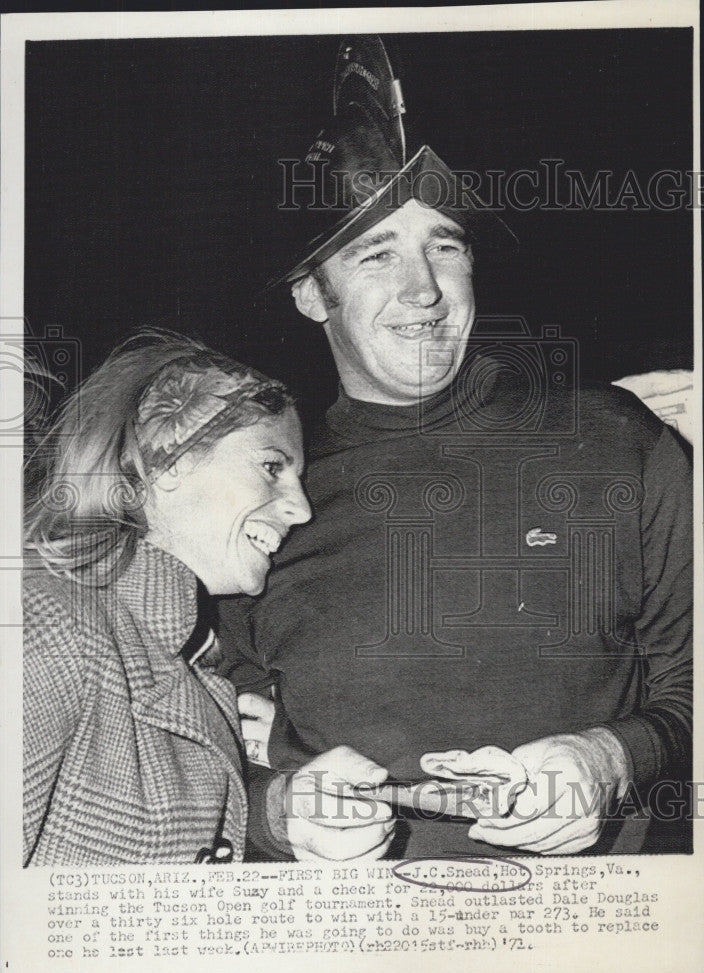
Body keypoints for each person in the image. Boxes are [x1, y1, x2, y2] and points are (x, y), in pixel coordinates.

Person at [220, 36, 693, 859]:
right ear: (310, 295)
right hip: (351, 954)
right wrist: (276, 815)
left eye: (444, 245)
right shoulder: (260, 493)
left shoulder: (614, 441)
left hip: (599, 950)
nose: (424, 290)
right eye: (377, 254)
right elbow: (196, 750)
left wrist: (611, 759)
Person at [23, 328, 395, 865]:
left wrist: (280, 807)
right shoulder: (49, 622)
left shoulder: (186, 668)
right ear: (171, 461)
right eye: (272, 467)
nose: (301, 508)